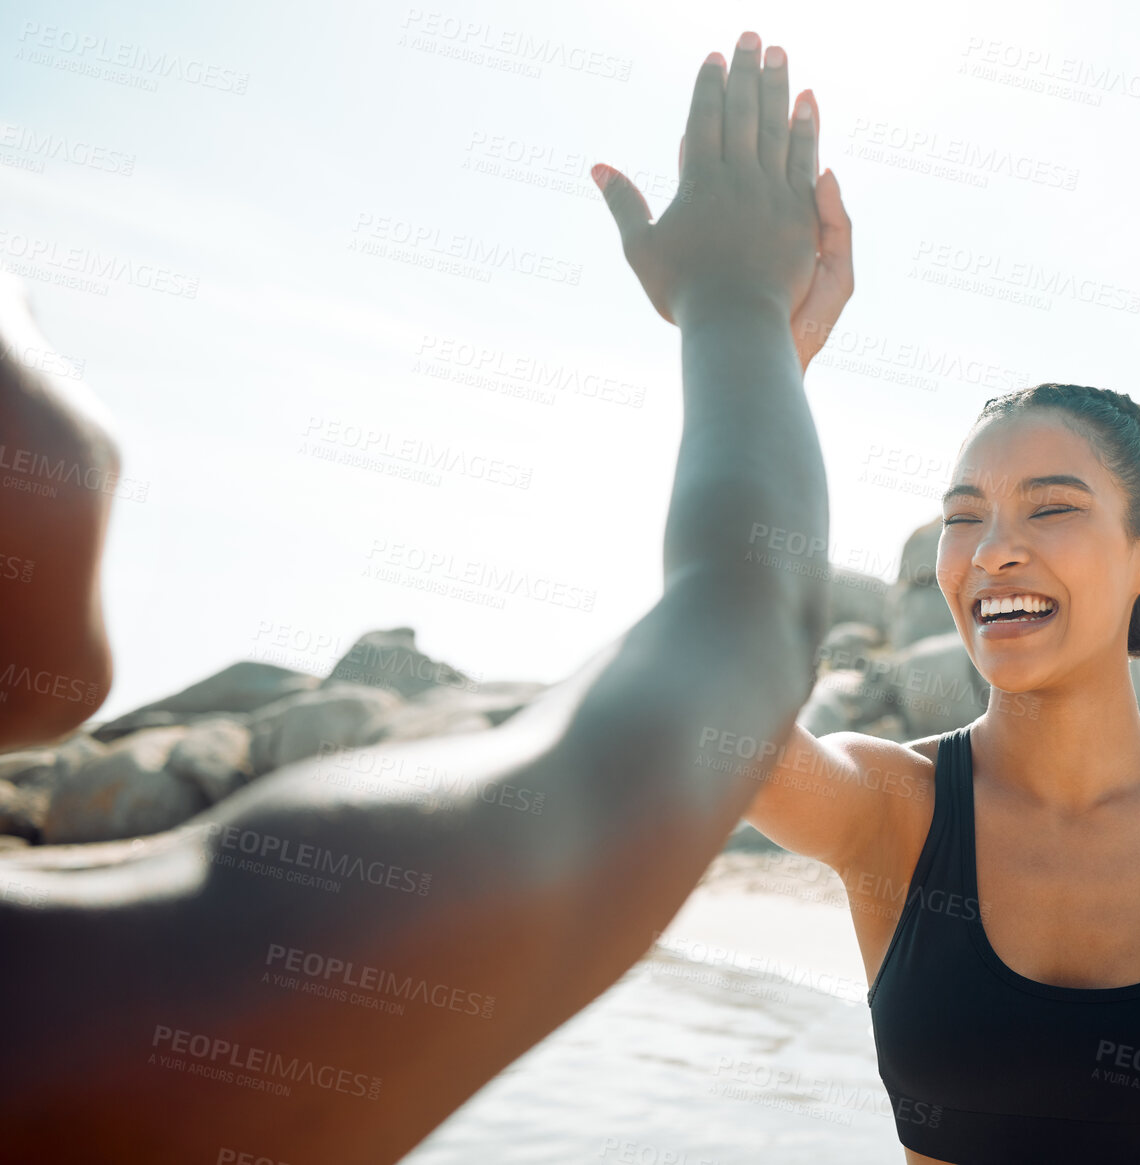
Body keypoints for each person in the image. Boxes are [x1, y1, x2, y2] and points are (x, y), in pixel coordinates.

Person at [0, 31, 854, 1163]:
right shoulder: (121, 1007)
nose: (79, 402)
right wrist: (739, 307)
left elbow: (737, 635)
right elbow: (744, 629)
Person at [743, 392, 1140, 1161]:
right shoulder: (891, 801)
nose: (992, 550)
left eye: (1052, 508)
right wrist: (766, 351)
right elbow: (719, 725)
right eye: (964, 517)